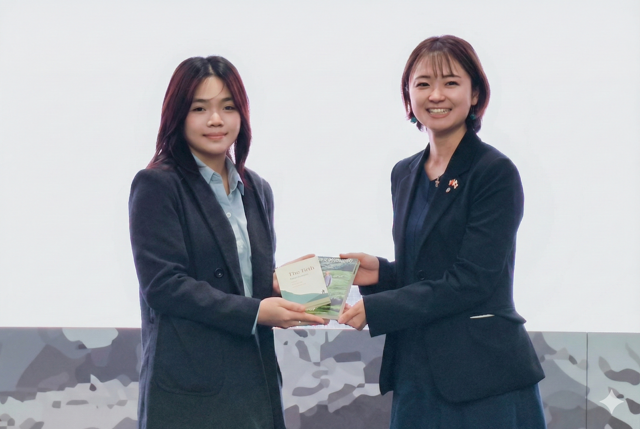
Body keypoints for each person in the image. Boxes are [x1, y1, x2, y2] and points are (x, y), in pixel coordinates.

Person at [338, 36, 546, 429]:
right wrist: (381, 272)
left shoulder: (494, 172)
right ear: (408, 94)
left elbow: (472, 279)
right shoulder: (404, 173)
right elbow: (428, 269)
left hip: (484, 378)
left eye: (450, 82)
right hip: (417, 372)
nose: (436, 95)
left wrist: (380, 309)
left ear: (475, 93)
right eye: (423, 84)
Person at [128, 56, 325, 429]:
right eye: (200, 108)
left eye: (228, 107)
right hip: (191, 391)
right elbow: (164, 286)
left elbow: (243, 280)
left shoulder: (257, 189)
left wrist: (285, 283)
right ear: (178, 115)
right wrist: (256, 312)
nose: (216, 120)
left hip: (254, 384)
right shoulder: (158, 185)